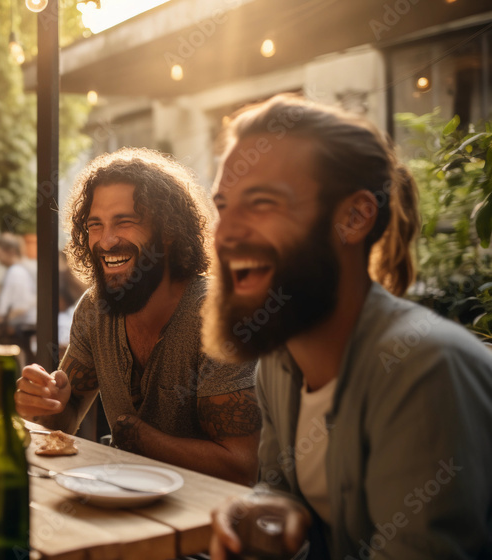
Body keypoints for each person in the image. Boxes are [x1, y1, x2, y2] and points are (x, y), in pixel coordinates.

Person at [205, 94, 492, 559]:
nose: (226, 232)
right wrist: (263, 511)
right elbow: (279, 490)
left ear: (354, 217)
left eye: (261, 203)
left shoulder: (424, 370)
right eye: (223, 205)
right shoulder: (279, 360)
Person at [14, 147, 260, 485]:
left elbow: (241, 467)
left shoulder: (219, 314)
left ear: (169, 232)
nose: (107, 241)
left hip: (211, 522)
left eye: (124, 222)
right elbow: (64, 421)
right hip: (123, 500)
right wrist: (44, 404)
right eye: (95, 225)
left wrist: (135, 436)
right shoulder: (95, 308)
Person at [0, 233, 37, 329]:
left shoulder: (16, 272)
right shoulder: (16, 270)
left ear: (10, 252)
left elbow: (21, 306)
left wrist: (2, 319)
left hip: (21, 328)